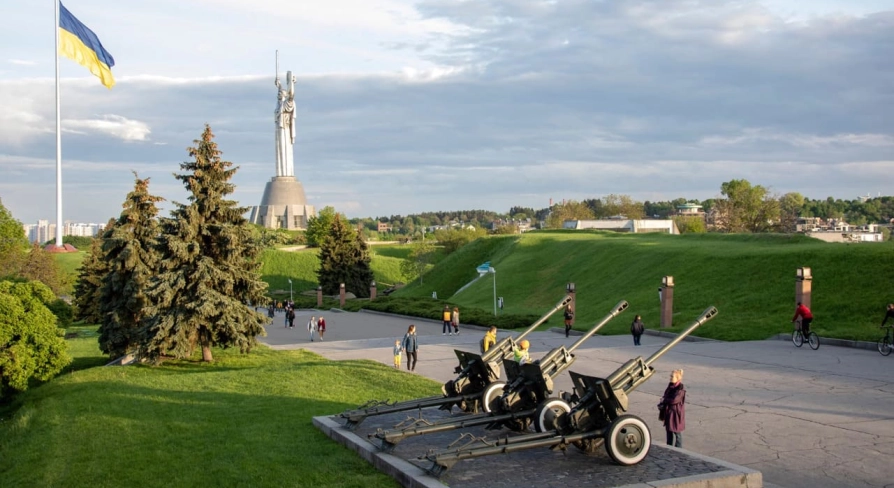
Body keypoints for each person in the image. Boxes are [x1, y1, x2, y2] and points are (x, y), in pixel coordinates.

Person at [659, 369, 686, 448]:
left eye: (672, 376)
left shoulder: (680, 389)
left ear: (677, 378)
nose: (670, 377)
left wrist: (665, 400)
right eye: (670, 376)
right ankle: (669, 446)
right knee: (669, 431)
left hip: (676, 413)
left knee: (677, 432)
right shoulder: (670, 386)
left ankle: (679, 448)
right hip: (669, 412)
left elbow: (675, 400)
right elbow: (666, 395)